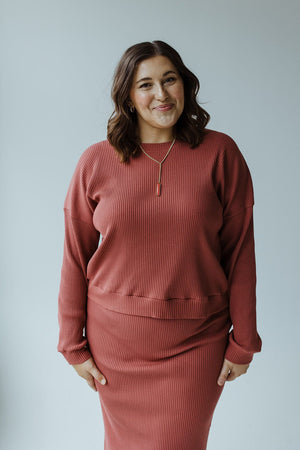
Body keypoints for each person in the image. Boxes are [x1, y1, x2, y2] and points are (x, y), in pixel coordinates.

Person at [57, 40, 262, 450]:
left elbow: (239, 252)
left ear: (184, 85)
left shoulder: (220, 153)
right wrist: (71, 344)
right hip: (115, 341)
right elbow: (75, 256)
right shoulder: (96, 161)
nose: (161, 94)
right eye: (145, 84)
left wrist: (244, 340)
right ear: (129, 97)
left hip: (197, 340)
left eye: (169, 80)